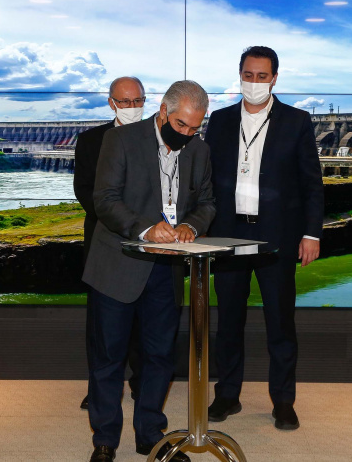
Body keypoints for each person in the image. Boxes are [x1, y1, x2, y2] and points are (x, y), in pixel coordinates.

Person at [84, 80, 215, 462]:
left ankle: (150, 436)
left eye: (195, 127)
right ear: (162, 112)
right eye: (181, 125)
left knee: (159, 356)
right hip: (118, 265)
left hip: (165, 270)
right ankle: (105, 440)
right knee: (108, 357)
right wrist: (145, 228)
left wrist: (190, 225)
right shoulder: (121, 140)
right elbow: (104, 199)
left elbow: (207, 202)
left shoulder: (200, 150)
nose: (187, 134)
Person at [204, 46, 324, 431]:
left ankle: (283, 402)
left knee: (280, 322)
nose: (253, 82)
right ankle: (227, 394)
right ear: (239, 74)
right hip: (228, 234)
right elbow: (205, 179)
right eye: (248, 75)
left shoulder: (296, 121)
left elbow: (312, 183)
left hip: (277, 236)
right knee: (228, 321)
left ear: (274, 78)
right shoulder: (220, 121)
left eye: (261, 76)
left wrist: (311, 233)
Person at [74, 76, 146, 410]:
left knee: (145, 322)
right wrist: (125, 223)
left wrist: (146, 228)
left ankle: (143, 385)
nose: (132, 107)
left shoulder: (160, 137)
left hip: (149, 244)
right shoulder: (91, 140)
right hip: (105, 241)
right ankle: (100, 389)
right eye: (125, 101)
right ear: (111, 103)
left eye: (137, 101)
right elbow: (85, 191)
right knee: (101, 324)